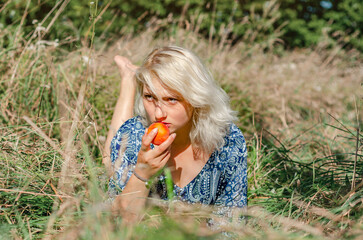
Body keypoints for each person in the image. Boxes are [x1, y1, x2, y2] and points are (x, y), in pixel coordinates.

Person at [104, 46, 247, 222]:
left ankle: (129, 78)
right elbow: (115, 223)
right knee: (110, 160)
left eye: (171, 99)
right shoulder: (135, 134)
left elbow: (232, 222)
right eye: (149, 97)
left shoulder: (228, 141)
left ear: (196, 96)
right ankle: (128, 81)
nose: (158, 114)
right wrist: (142, 174)